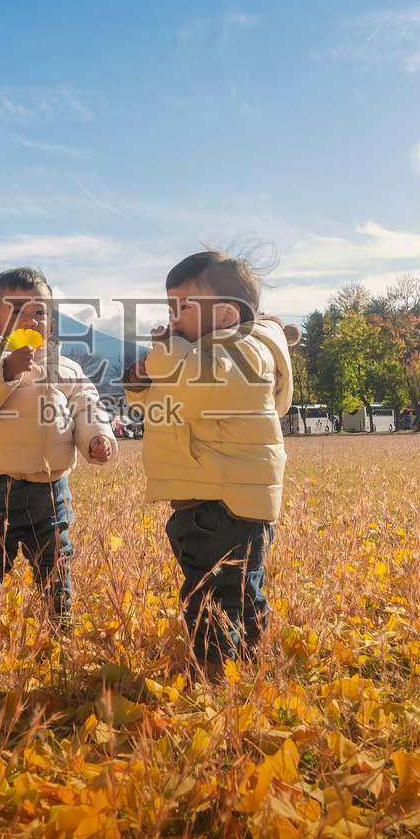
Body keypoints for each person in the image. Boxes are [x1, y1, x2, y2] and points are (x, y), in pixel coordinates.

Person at [122, 250, 294, 680]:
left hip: (220, 501)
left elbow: (191, 385)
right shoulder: (213, 354)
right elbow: (171, 405)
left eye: (182, 308)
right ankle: (252, 661)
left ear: (225, 316)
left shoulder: (241, 354)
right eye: (170, 308)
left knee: (211, 598)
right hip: (219, 497)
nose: (173, 320)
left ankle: (214, 678)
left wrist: (165, 355)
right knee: (239, 592)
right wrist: (140, 385)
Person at [0, 267, 116, 629]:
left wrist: (95, 438)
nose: (31, 319)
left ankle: (62, 626)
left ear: (51, 325)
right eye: (17, 312)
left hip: (51, 488)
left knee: (56, 562)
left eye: (39, 312)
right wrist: (6, 371)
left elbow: (86, 406)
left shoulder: (66, 367)